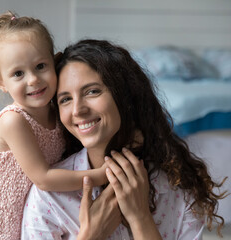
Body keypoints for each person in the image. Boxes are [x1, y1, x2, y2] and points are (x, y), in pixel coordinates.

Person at [21, 39, 227, 239]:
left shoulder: (177, 187)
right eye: (65, 99)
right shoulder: (49, 198)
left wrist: (141, 219)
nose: (77, 110)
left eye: (92, 91)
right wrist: (91, 235)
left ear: (125, 97)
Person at [0, 12, 107, 240]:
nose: (33, 80)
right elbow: (44, 178)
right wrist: (99, 176)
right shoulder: (14, 121)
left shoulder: (58, 112)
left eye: (40, 66)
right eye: (18, 73)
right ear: (1, 82)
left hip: (22, 230)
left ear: (55, 62)